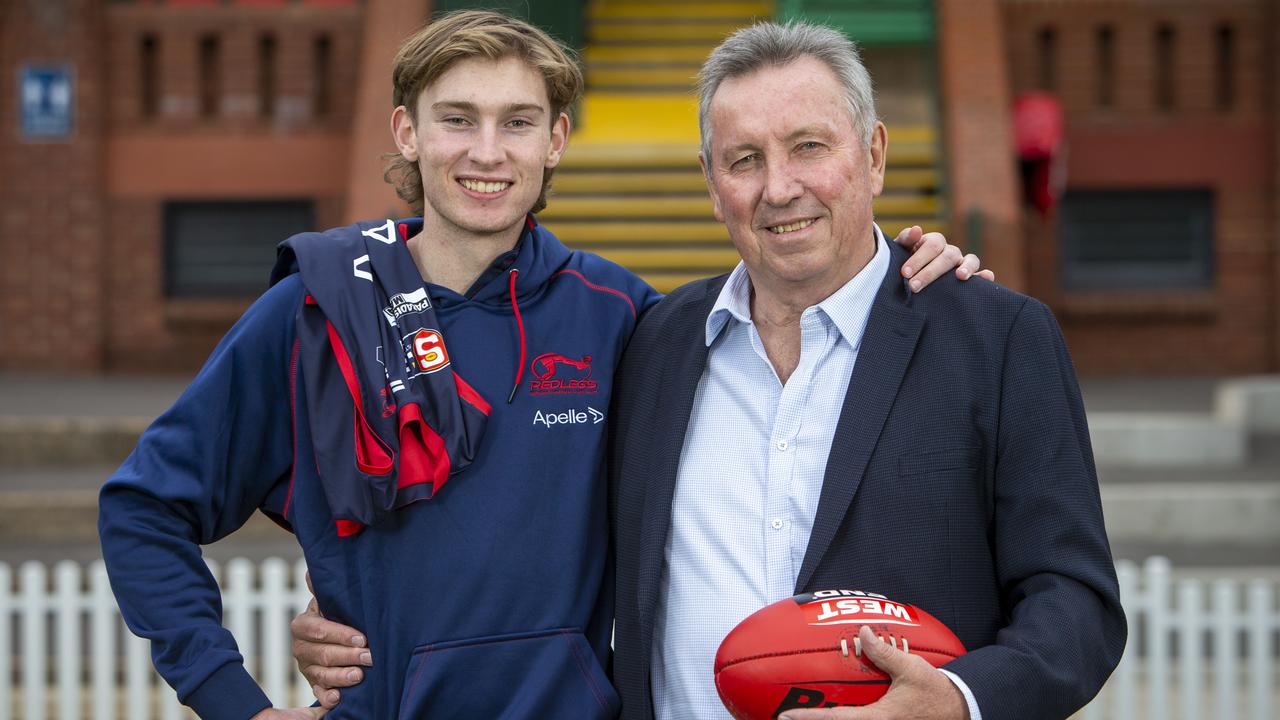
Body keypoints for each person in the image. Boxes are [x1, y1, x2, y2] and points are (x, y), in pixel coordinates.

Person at [98, 11, 984, 720]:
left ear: (556, 140)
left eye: (517, 122)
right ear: (408, 131)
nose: (488, 152)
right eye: (457, 119)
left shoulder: (625, 317)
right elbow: (143, 508)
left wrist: (908, 265)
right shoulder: (315, 309)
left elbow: (788, 301)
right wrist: (231, 698)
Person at [606, 22, 1126, 720]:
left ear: (873, 156)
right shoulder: (652, 344)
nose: (779, 187)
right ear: (710, 182)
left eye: (809, 147)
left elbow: (1075, 601)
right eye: (744, 160)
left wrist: (959, 701)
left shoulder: (997, 339)